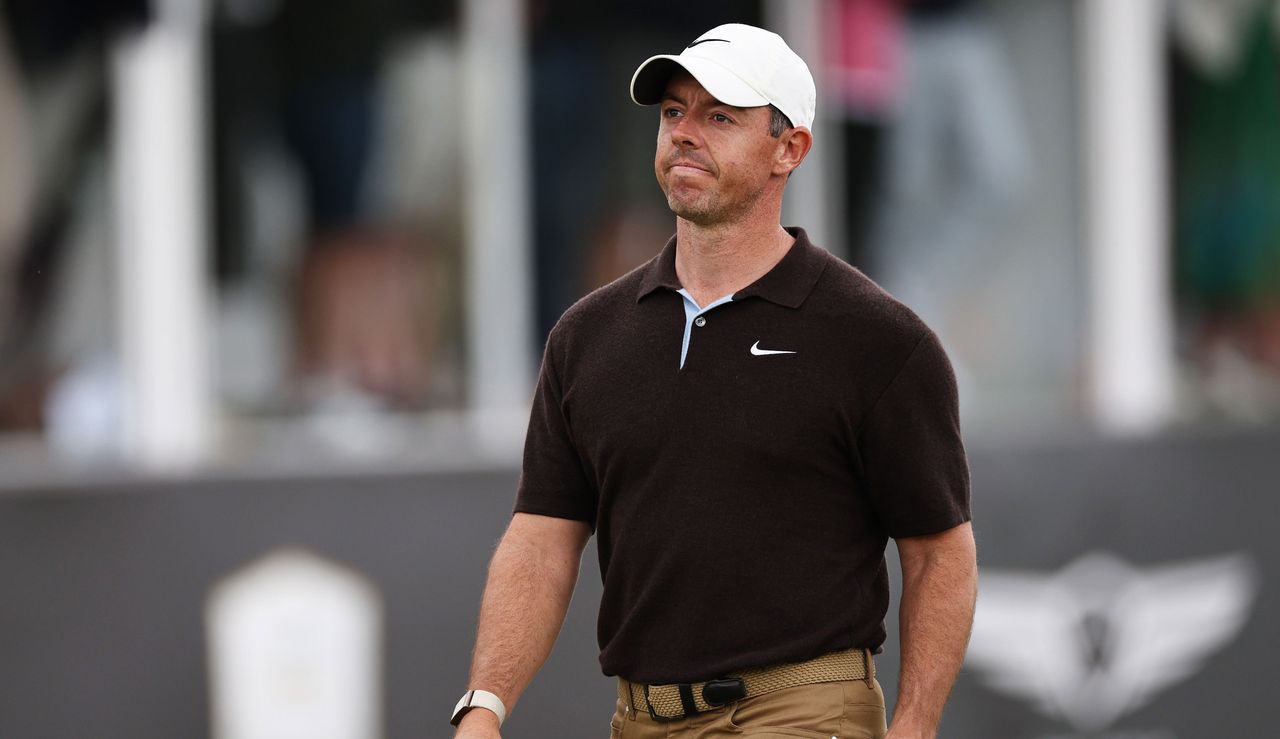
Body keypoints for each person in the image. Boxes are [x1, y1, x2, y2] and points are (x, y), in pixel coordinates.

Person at [452, 23, 976, 739]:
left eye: (720, 116)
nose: (685, 134)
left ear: (789, 149)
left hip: (800, 713)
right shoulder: (587, 337)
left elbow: (939, 551)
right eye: (674, 113)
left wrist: (914, 726)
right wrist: (485, 704)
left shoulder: (878, 340)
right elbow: (542, 537)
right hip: (641, 719)